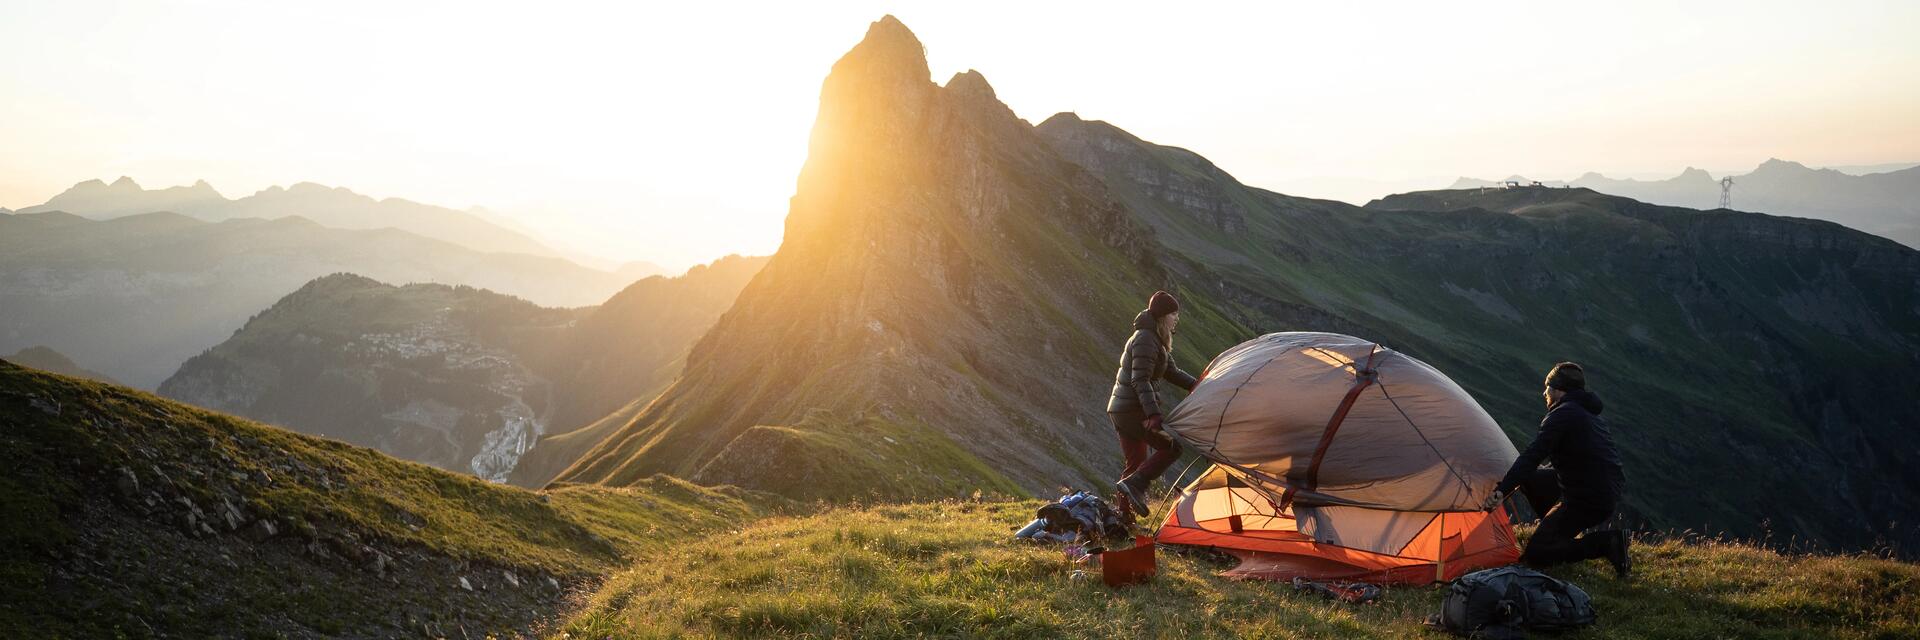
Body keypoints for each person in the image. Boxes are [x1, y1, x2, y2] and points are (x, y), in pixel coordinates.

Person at [1481, 362, 1631, 578]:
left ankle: (1607, 543)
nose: (1544, 393)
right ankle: (1558, 532)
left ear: (1559, 390)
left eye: (1548, 387)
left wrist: (1501, 491)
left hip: (1587, 498)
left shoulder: (1561, 415)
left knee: (1535, 555)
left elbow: (1533, 455)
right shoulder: (1586, 413)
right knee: (1530, 478)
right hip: (1600, 488)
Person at [1109, 290, 1198, 517]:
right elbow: (1140, 379)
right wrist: (1153, 415)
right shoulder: (1146, 339)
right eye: (1173, 313)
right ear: (1162, 316)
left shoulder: (1155, 339)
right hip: (1132, 410)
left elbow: (1172, 372)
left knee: (1136, 463)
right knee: (1171, 447)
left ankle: (1123, 516)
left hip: (1124, 409)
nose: (1176, 318)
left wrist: (1198, 385)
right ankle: (1135, 488)